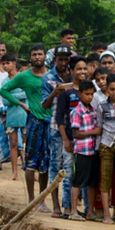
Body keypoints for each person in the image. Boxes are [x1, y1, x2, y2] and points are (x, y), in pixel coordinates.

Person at [0, 45, 50, 207]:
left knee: (45, 163)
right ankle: (31, 199)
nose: (37, 57)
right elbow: (4, 90)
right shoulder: (24, 76)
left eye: (40, 54)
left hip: (50, 122)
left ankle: (41, 200)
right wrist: (21, 104)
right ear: (30, 58)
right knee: (31, 161)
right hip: (34, 120)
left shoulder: (51, 75)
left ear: (44, 57)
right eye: (34, 54)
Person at [42, 46, 75, 217]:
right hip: (55, 127)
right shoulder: (48, 77)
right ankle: (55, 205)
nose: (63, 63)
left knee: (70, 167)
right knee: (55, 165)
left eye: (66, 59)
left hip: (74, 127)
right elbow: (44, 105)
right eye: (60, 59)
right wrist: (55, 92)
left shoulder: (75, 75)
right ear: (55, 60)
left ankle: (68, 206)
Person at [96, 74, 115, 224]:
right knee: (105, 180)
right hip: (106, 145)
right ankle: (106, 214)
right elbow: (100, 127)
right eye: (112, 89)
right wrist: (98, 147)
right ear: (106, 89)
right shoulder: (101, 106)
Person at [69, 80, 102, 221]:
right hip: (82, 151)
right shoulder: (77, 111)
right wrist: (94, 132)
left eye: (91, 94)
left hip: (93, 151)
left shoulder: (93, 110)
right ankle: (73, 211)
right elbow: (75, 133)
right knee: (78, 181)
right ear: (80, 94)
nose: (89, 97)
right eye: (87, 94)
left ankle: (90, 211)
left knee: (92, 182)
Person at [0, 54, 25, 181]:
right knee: (13, 143)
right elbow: (4, 101)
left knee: (27, 143)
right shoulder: (4, 81)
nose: (5, 66)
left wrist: (12, 96)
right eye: (3, 63)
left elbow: (27, 93)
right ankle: (15, 172)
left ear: (14, 63)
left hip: (25, 114)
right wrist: (19, 97)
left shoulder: (23, 77)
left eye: (7, 63)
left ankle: (29, 170)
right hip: (12, 116)